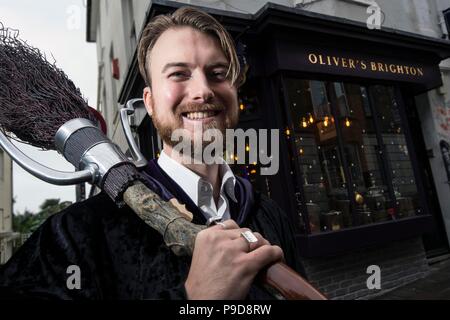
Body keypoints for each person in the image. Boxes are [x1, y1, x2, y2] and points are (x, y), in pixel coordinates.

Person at [0, 6, 303, 300]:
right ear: (150, 101)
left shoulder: (270, 214)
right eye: (179, 74)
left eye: (217, 73)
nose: (203, 90)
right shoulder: (76, 236)